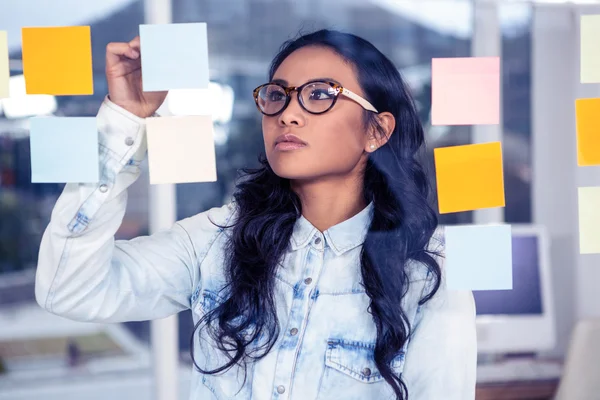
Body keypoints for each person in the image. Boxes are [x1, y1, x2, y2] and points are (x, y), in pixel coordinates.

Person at [35, 29, 476, 399]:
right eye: (277, 96)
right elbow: (68, 289)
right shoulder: (217, 240)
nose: (289, 114)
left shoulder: (428, 276)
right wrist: (123, 120)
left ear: (376, 130)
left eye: (319, 95)